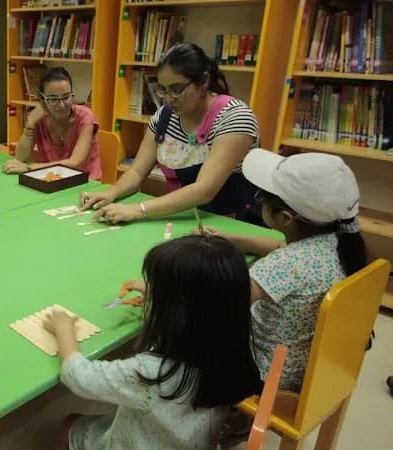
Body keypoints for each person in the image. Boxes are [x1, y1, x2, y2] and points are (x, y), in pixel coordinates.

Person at [44, 235, 261, 450]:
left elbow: (78, 377)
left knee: (68, 425)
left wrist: (64, 329)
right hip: (193, 440)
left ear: (178, 312)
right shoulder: (231, 346)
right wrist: (164, 297)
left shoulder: (152, 373)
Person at [199, 149, 367, 392]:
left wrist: (157, 288)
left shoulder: (285, 264)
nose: (260, 202)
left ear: (286, 218)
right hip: (303, 365)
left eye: (262, 199)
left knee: (195, 331)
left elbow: (222, 302)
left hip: (267, 373)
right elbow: (280, 246)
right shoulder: (339, 242)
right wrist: (230, 238)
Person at [79, 43, 260, 224]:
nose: (168, 98)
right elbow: (136, 172)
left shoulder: (234, 117)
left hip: (230, 223)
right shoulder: (164, 116)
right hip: (179, 216)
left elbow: (204, 190)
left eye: (177, 89)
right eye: (163, 90)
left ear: (203, 81)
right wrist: (111, 193)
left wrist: (138, 209)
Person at [3, 67, 102, 180]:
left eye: (66, 97)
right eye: (53, 99)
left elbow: (75, 162)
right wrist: (29, 125)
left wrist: (30, 168)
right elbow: (20, 157)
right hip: (51, 180)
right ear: (42, 101)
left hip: (86, 182)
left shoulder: (85, 117)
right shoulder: (38, 118)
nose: (61, 105)